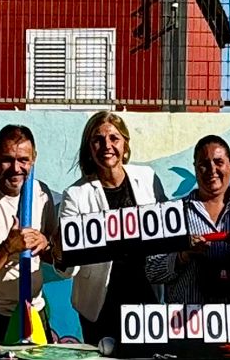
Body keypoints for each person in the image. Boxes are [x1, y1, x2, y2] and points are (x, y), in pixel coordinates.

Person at [58, 111, 176, 346]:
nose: (106, 145)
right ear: (89, 148)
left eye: (114, 138)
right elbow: (67, 268)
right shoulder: (75, 195)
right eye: (98, 140)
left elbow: (165, 234)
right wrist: (60, 251)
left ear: (125, 144)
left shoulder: (148, 178)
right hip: (100, 304)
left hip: (145, 295)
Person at [0, 124, 69, 344]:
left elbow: (53, 255)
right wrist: (7, 248)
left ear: (34, 158)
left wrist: (45, 244)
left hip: (35, 311)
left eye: (24, 160)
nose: (16, 168)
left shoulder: (41, 193)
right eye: (7, 159)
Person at [167, 135, 230, 310]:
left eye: (219, 162)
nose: (212, 170)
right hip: (186, 326)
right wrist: (183, 255)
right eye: (204, 164)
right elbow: (153, 271)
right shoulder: (175, 213)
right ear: (195, 169)